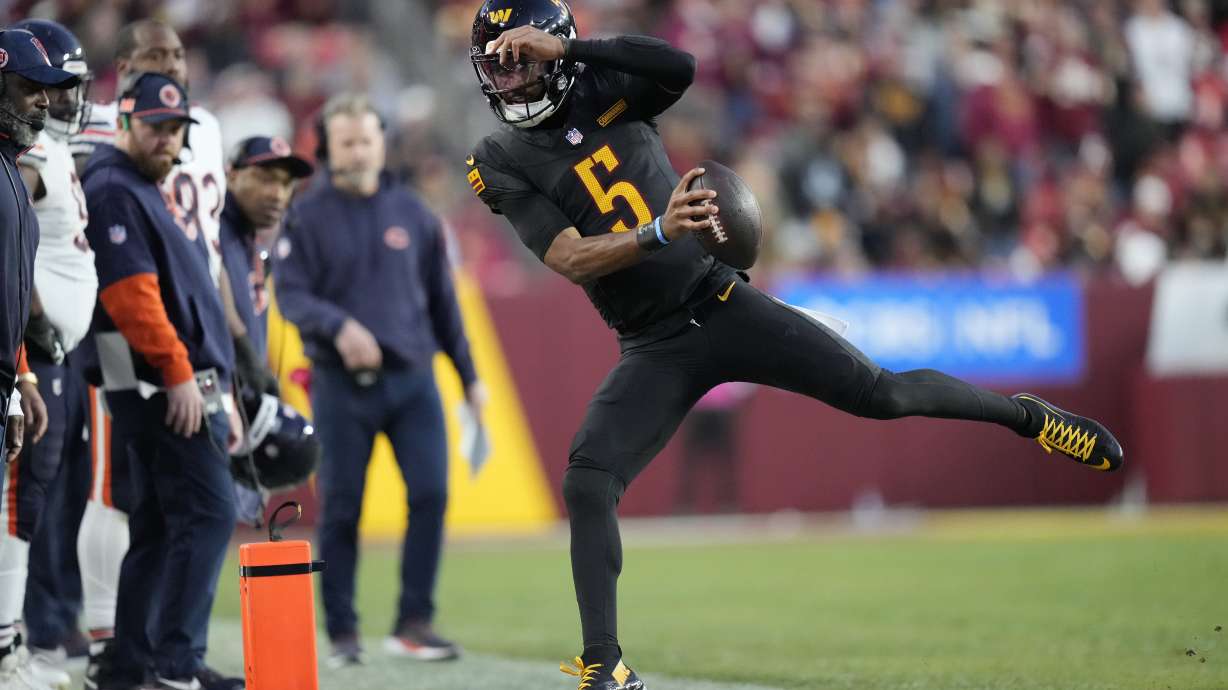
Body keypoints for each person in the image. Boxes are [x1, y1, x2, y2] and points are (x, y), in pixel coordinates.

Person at [464, 2, 1124, 688]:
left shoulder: (605, 85)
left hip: (721, 301)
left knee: (883, 393)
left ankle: (1032, 418)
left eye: (521, 60)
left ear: (553, 50)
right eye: (498, 66)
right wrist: (658, 232)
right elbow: (569, 257)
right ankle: (604, 666)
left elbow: (680, 67)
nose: (508, 80)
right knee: (588, 480)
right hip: (651, 344)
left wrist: (577, 51)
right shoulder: (497, 157)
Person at [274, 93, 482, 667]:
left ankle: (414, 621)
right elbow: (290, 295)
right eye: (347, 141)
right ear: (328, 147)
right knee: (342, 507)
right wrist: (337, 327)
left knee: (432, 495)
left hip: (413, 378)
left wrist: (470, 378)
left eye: (367, 139)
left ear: (382, 141)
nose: (359, 150)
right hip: (341, 383)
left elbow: (445, 305)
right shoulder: (306, 214)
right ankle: (342, 631)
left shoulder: (415, 214)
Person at [69, 20, 246, 690]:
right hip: (156, 377)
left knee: (155, 517)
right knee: (208, 510)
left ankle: (130, 664)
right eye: (155, 128)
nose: (167, 141)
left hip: (155, 375)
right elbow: (131, 298)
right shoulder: (115, 184)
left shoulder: (135, 180)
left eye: (175, 130)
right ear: (125, 118)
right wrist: (178, 377)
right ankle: (177, 665)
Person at [10, 19, 95, 687]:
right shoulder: (27, 165)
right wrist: (34, 339)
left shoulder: (34, 156)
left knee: (36, 502)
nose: (53, 102)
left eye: (60, 90)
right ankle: (20, 642)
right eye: (39, 89)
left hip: (32, 365)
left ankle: (20, 641)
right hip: (32, 359)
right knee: (23, 503)